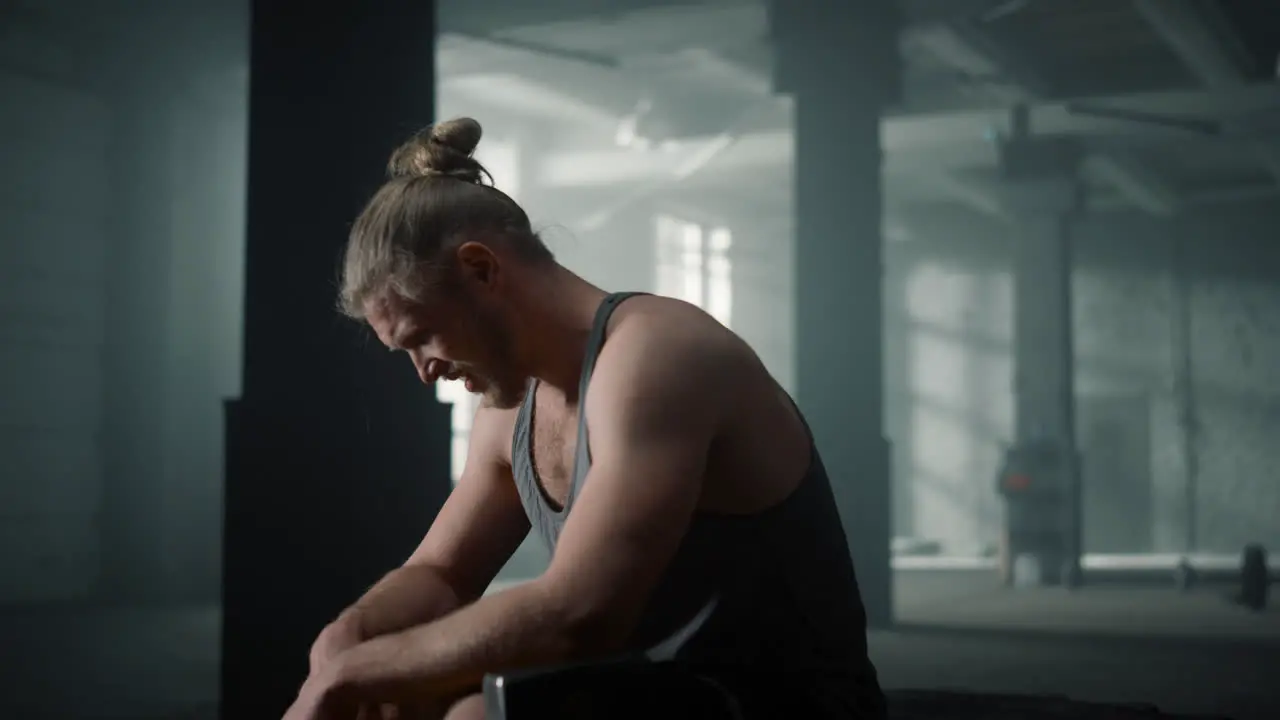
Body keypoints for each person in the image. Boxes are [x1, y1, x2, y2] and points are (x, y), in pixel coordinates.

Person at [282, 118, 885, 720]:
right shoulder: (511, 407)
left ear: (481, 270)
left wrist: (354, 676)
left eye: (425, 338)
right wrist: (349, 636)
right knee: (398, 700)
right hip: (654, 692)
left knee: (463, 713)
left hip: (778, 705)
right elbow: (441, 573)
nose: (425, 372)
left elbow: (581, 614)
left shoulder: (657, 354)